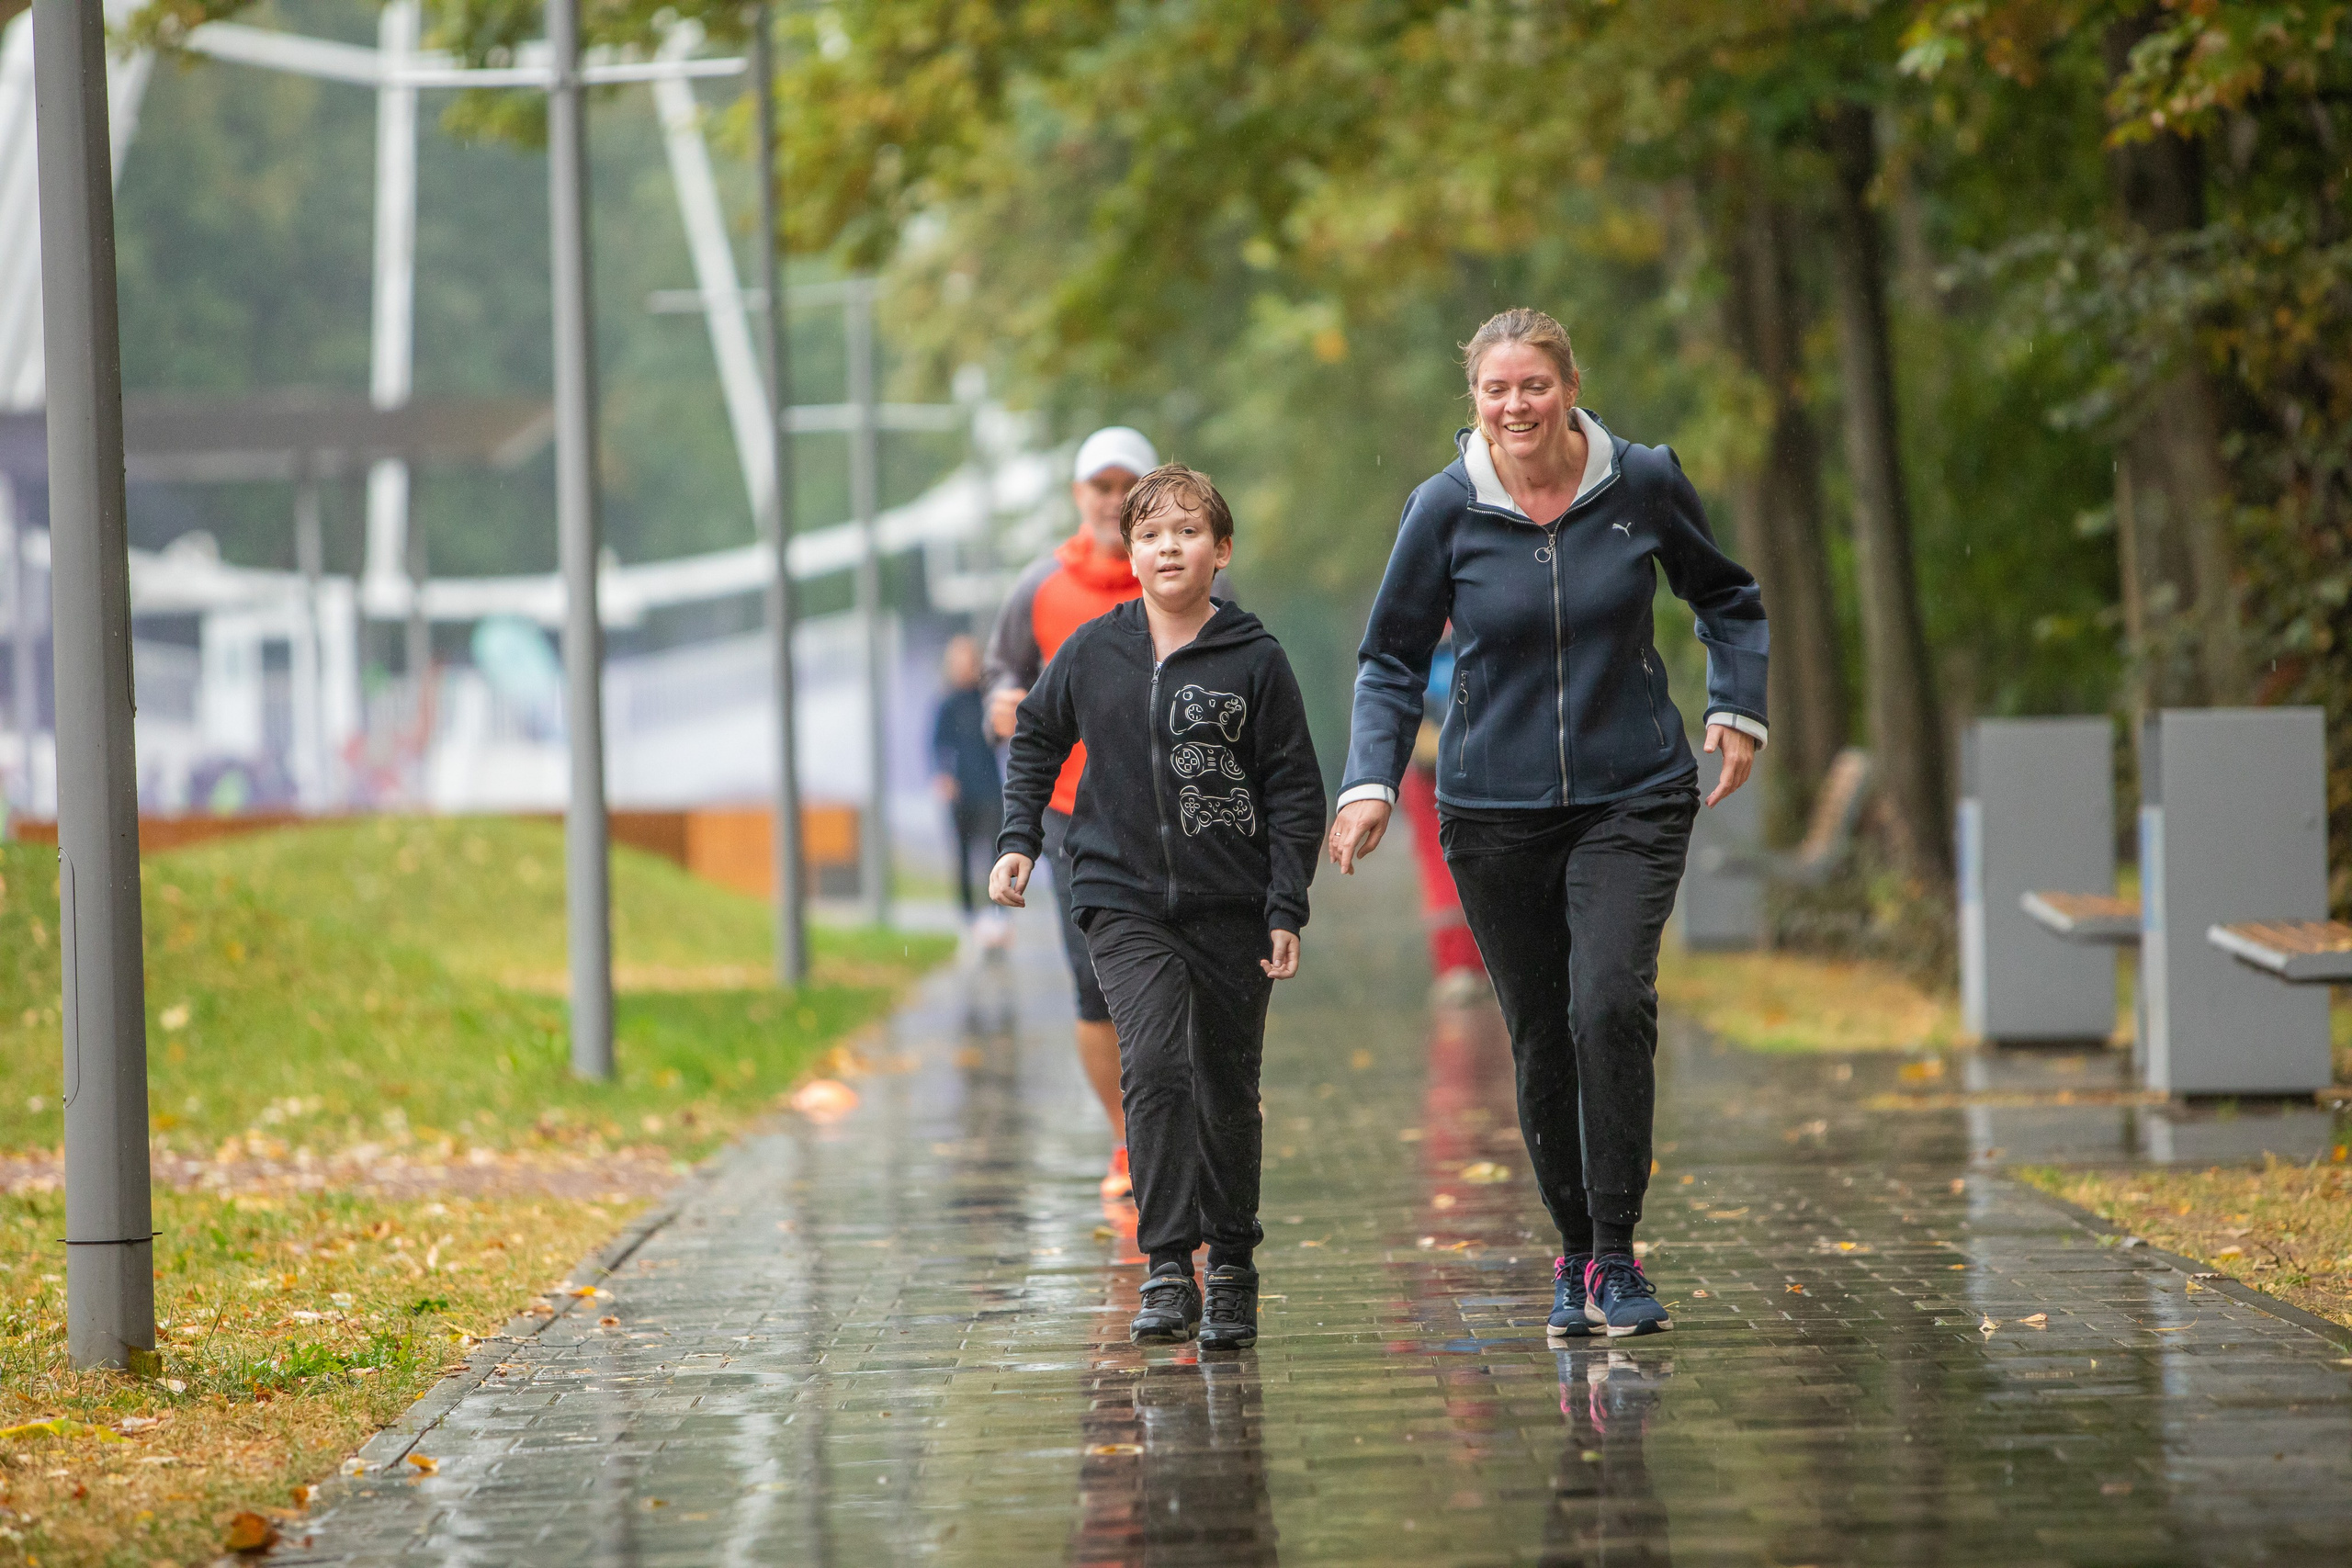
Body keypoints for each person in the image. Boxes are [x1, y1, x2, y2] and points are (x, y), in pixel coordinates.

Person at [1329, 308, 1768, 1340]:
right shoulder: (1442, 508)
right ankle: (1570, 1251)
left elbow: (1727, 597)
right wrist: (1369, 784)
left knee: (1609, 1002)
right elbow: (1390, 659)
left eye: (1533, 385)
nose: (1515, 406)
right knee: (1538, 1034)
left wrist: (1733, 707)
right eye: (1495, 390)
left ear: (1570, 385)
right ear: (1473, 400)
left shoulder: (1641, 482)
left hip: (1633, 791)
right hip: (1492, 811)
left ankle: (1617, 1255)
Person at [991, 465, 1325, 1349]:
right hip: (1119, 893)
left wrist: (1286, 903)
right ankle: (1170, 1264)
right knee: (1155, 1064)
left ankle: (1236, 1268)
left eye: (1186, 532)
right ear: (1129, 551)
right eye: (1150, 534)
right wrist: (1018, 838)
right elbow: (1034, 736)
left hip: (1233, 903)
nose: (1167, 546)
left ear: (1220, 551)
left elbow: (1295, 785)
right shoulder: (1094, 650)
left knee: (1225, 1088)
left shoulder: (1256, 659)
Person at [982, 425, 1162, 1200]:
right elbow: (1004, 671)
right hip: (1070, 812)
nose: (1113, 499)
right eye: (1101, 485)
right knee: (1095, 984)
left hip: (1170, 807)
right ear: (1079, 495)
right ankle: (1128, 1143)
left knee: (1180, 970)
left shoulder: (1188, 577)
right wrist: (1001, 701)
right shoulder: (1039, 586)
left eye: (1129, 485)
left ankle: (1185, 1125)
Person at [931, 633, 1008, 949]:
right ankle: (967, 918)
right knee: (962, 857)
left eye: (968, 661)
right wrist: (943, 777)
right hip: (960, 792)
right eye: (957, 662)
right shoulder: (946, 703)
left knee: (995, 855)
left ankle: (998, 916)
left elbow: (1002, 738)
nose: (963, 668)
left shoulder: (988, 699)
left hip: (989, 787)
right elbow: (936, 745)